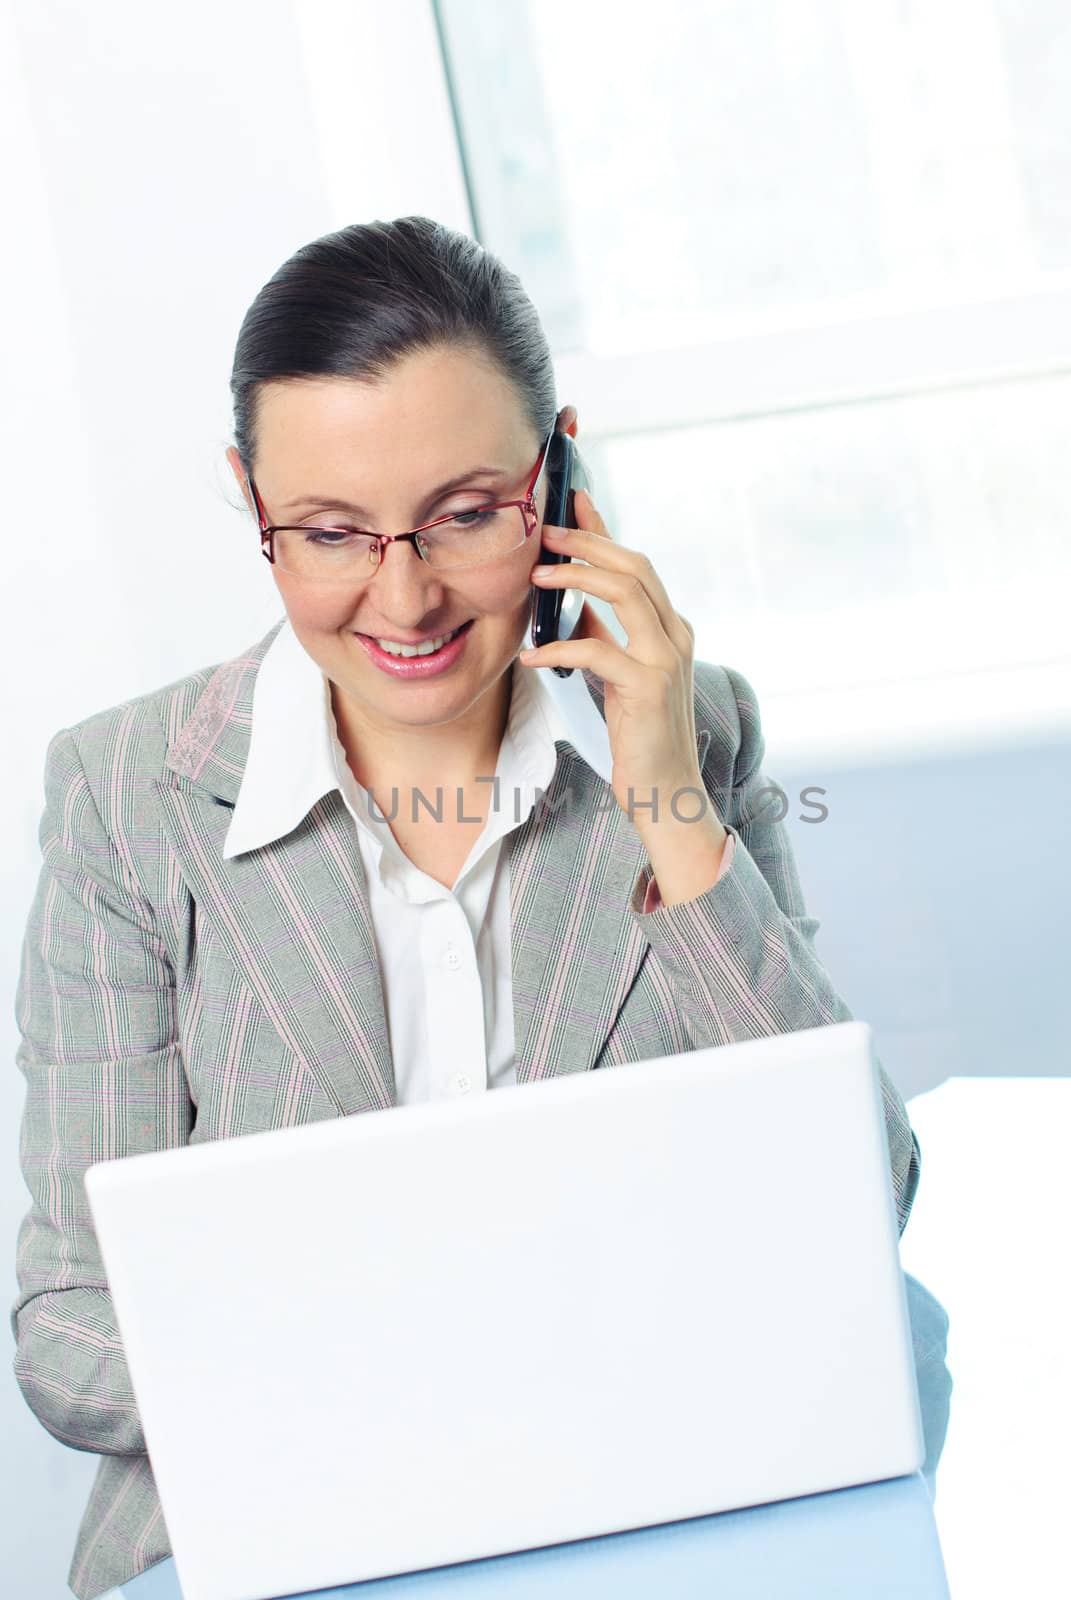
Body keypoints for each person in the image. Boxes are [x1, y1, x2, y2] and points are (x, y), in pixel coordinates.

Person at [10, 215, 922, 1600]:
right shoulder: (125, 799)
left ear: (555, 475)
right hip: (271, 1549)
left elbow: (858, 1194)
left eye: (467, 515)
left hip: (661, 1519)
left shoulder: (691, 732)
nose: (406, 595)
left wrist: (665, 792)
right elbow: (71, 1330)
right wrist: (464, 1394)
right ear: (251, 499)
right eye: (327, 532)